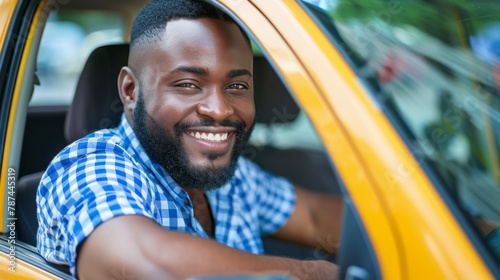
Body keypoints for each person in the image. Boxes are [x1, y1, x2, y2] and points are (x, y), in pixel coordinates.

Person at [37, 0, 343, 279]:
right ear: (130, 91)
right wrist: (313, 273)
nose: (220, 109)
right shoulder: (90, 167)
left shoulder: (233, 179)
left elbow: (316, 219)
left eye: (236, 86)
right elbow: (141, 265)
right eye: (188, 84)